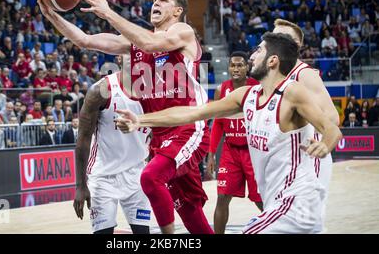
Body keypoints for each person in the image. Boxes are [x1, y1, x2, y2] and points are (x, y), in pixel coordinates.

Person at [116, 32, 343, 234]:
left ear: (272, 61)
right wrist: (140, 120)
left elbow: (331, 128)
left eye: (259, 50)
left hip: (297, 204)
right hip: (277, 203)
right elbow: (193, 113)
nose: (252, 56)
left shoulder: (292, 93)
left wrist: (325, 144)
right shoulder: (247, 95)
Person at [37, 0, 213, 234]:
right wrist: (51, 15)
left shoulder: (182, 31)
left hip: (187, 126)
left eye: (163, 0)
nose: (156, 3)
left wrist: (107, 12)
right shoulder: (138, 43)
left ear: (177, 11)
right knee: (188, 208)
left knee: (150, 179)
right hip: (161, 133)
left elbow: (151, 44)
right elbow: (85, 40)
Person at [273, 19, 340, 232]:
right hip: (288, 159)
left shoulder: (304, 74)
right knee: (288, 219)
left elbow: (332, 117)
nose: (275, 40)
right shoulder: (275, 76)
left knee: (309, 222)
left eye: (281, 36)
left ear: (296, 45)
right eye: (273, 35)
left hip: (310, 157)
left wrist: (320, 143)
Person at [73, 56, 152, 234]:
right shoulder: (101, 90)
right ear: (118, 57)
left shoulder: (154, 90)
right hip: (103, 176)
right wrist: (80, 185)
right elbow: (83, 139)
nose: (135, 56)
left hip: (137, 173)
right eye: (128, 51)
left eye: (139, 51)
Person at [207, 51, 262, 234]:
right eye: (233, 65)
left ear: (247, 67)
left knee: (260, 199)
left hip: (253, 151)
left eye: (240, 65)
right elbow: (218, 124)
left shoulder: (258, 88)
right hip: (230, 151)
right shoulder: (221, 90)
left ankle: (280, 228)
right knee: (222, 197)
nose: (236, 69)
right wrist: (211, 153)